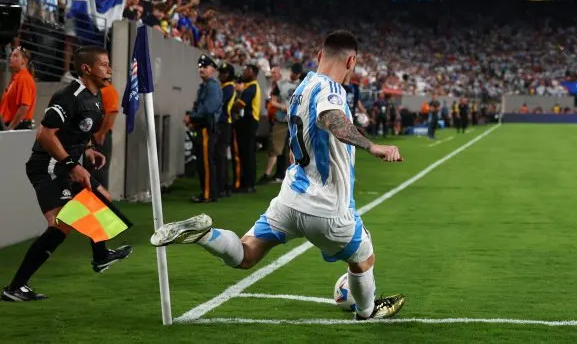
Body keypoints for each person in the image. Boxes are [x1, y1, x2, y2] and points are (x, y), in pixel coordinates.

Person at [151, 31, 406, 321]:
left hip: (289, 200)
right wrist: (372, 146)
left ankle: (205, 235)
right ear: (351, 61)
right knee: (363, 259)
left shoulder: (301, 89)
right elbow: (332, 118)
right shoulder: (331, 89)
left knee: (246, 255)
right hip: (327, 208)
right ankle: (366, 311)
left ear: (319, 56)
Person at [2, 47, 132, 302]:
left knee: (102, 196)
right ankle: (15, 288)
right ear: (87, 68)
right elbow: (45, 135)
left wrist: (90, 149)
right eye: (104, 65)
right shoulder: (68, 96)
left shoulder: (96, 97)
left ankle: (100, 256)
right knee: (61, 225)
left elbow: (75, 133)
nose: (109, 69)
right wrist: (74, 165)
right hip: (48, 165)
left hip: (65, 164)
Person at [186, 55, 223, 203]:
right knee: (203, 161)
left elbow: (208, 109)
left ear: (212, 69)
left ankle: (208, 194)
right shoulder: (205, 85)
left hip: (208, 127)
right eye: (200, 66)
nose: (201, 69)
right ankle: (207, 192)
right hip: (202, 127)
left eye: (205, 67)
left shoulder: (212, 86)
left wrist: (192, 117)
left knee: (206, 163)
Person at [231, 64, 261, 193]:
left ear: (253, 73)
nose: (244, 72)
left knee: (247, 154)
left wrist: (229, 107)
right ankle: (248, 183)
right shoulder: (250, 86)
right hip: (249, 123)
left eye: (247, 70)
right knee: (247, 153)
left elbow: (240, 105)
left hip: (248, 123)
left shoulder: (252, 87)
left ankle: (247, 184)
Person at [0, 47, 36, 131]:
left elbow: (24, 106)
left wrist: (10, 129)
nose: (11, 58)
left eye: (15, 56)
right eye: (11, 55)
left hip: (18, 127)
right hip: (9, 125)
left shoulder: (24, 78)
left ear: (24, 60)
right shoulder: (16, 78)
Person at [217, 63, 237, 198]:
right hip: (223, 123)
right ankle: (223, 185)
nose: (221, 74)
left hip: (224, 124)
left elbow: (219, 103)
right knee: (220, 155)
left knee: (221, 155)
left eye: (224, 72)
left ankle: (223, 186)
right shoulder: (225, 87)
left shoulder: (229, 87)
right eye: (221, 72)